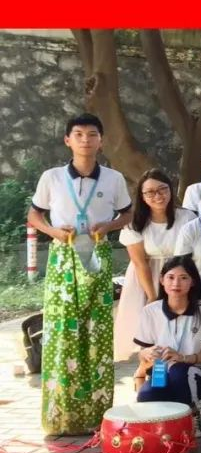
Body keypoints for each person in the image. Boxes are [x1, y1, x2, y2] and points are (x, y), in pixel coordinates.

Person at [30, 113, 132, 435]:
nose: (85, 140)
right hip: (63, 256)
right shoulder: (52, 177)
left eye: (92, 135)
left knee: (96, 332)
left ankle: (96, 417)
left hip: (97, 254)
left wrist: (110, 226)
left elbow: (128, 213)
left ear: (101, 141)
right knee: (62, 332)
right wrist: (53, 232)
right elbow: (34, 214)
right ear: (67, 140)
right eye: (78, 134)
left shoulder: (113, 179)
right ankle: (60, 418)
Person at [116, 169, 197, 361]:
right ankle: (145, 370)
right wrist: (152, 296)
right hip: (147, 277)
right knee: (150, 330)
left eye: (162, 189)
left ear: (170, 190)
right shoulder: (134, 223)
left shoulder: (187, 217)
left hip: (180, 274)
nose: (158, 196)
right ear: (142, 196)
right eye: (150, 192)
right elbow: (139, 263)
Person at [133, 256, 201, 436]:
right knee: (146, 395)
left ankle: (191, 415)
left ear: (193, 281)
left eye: (183, 278)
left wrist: (184, 358)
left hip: (199, 372)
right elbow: (141, 355)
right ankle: (166, 425)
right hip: (161, 372)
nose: (176, 283)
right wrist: (147, 353)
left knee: (180, 371)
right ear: (161, 280)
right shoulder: (151, 311)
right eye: (171, 277)